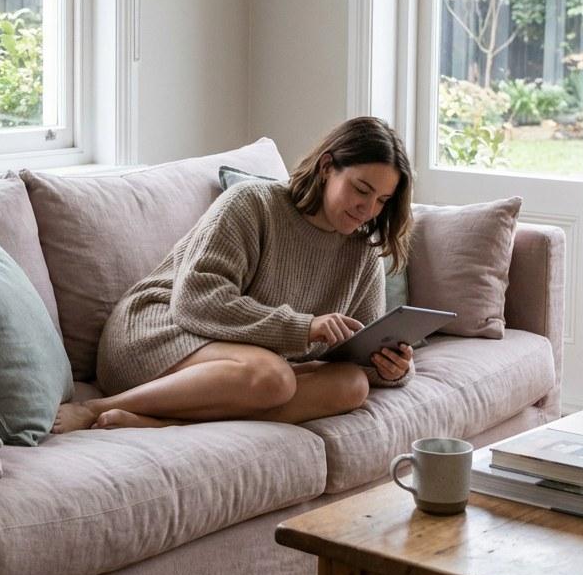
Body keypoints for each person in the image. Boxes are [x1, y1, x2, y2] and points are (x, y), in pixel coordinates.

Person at [53, 116, 415, 432]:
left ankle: (165, 424)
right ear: (326, 168)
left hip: (241, 369)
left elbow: (358, 353)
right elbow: (194, 302)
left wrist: (391, 368)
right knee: (274, 377)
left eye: (382, 200)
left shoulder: (362, 251)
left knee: (350, 385)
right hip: (156, 333)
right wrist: (303, 327)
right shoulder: (253, 204)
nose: (368, 209)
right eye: (361, 189)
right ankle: (94, 409)